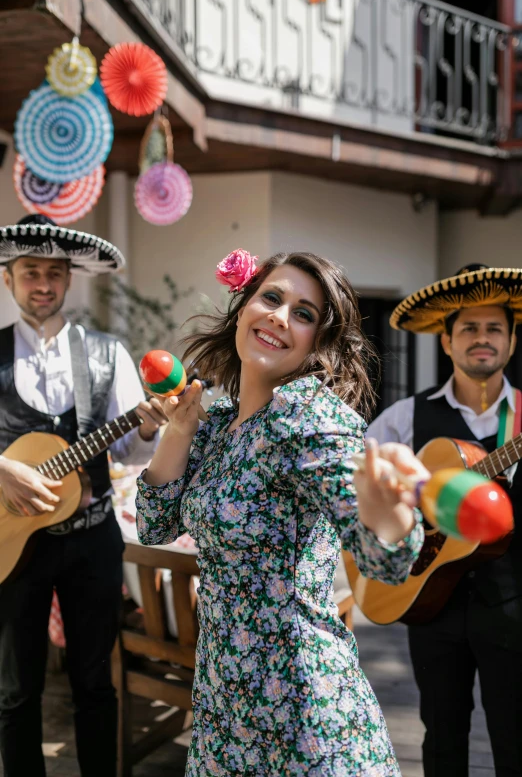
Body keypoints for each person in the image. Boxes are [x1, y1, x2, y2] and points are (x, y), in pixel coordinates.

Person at [136, 248, 428, 776]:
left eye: (304, 313)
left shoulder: (308, 419)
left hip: (304, 712)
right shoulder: (220, 420)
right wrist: (178, 431)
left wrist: (389, 516)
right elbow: (155, 525)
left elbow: (384, 560)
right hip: (223, 706)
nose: (279, 316)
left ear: (317, 343)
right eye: (271, 297)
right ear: (243, 305)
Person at [0, 214, 166, 777]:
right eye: (29, 272)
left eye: (53, 272)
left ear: (69, 279)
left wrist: (146, 428)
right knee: (15, 689)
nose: (42, 283)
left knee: (95, 681)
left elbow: (132, 458)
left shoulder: (106, 353)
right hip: (13, 546)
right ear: (8, 280)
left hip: (92, 537)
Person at [366, 264, 522, 777]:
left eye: (493, 328)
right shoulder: (404, 418)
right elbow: (359, 492)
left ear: (512, 340)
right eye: (469, 329)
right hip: (429, 596)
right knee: (442, 734)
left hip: (514, 603)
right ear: (448, 342)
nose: (482, 338)